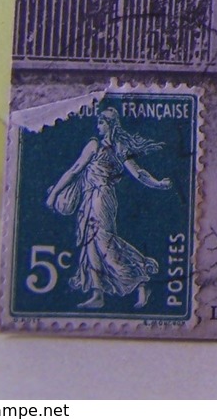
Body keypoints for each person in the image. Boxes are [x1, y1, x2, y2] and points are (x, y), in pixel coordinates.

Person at [44, 105, 173, 310]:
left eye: (101, 122)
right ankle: (98, 293)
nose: (98, 126)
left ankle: (139, 279)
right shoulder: (110, 146)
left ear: (110, 124)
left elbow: (136, 172)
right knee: (90, 244)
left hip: (100, 198)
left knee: (103, 242)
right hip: (91, 197)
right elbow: (76, 170)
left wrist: (158, 183)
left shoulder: (103, 146)